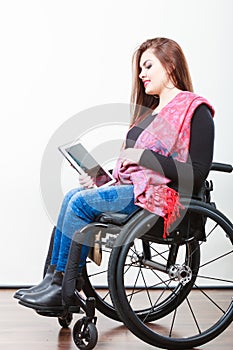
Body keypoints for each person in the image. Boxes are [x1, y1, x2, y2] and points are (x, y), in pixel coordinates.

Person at [14, 37, 215, 310]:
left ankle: (63, 286)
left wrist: (144, 156)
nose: (141, 74)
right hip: (134, 191)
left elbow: (198, 172)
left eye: (148, 66)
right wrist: (99, 179)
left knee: (79, 202)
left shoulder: (195, 109)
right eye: (140, 69)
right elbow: (133, 172)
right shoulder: (147, 115)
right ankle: (53, 279)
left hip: (161, 200)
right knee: (75, 195)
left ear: (170, 65)